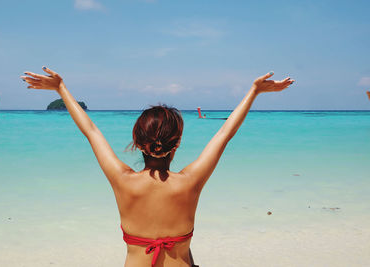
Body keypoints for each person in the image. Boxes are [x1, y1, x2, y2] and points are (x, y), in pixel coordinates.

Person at [21, 67, 294, 267]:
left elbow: (91, 131)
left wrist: (61, 89)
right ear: (177, 144)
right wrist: (254, 91)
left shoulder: (123, 180)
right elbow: (224, 133)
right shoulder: (190, 181)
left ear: (139, 143)